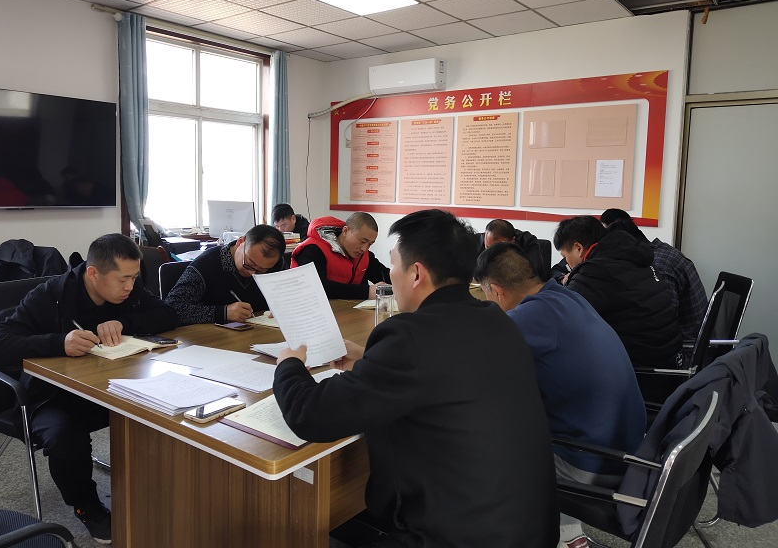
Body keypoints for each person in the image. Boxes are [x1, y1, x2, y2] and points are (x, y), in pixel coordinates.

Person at [274, 209, 558, 547]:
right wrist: (370, 361)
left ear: (417, 274)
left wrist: (289, 366)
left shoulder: (411, 338)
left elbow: (310, 414)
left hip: (459, 537)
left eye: (394, 264)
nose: (390, 275)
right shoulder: (496, 320)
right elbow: (445, 371)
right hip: (528, 528)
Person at [0, 233, 179, 544]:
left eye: (134, 278)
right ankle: (86, 506)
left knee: (162, 403)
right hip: (50, 395)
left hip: (107, 385)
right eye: (123, 279)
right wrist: (58, 343)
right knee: (65, 436)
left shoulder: (129, 289)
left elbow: (168, 313)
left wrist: (124, 324)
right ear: (93, 273)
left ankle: (153, 486)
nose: (130, 287)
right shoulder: (51, 294)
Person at [474, 242, 646, 548]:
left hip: (594, 463)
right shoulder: (566, 296)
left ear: (497, 292)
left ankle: (555, 535)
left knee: (479, 451)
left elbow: (469, 361)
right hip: (629, 448)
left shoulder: (529, 316)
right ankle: (564, 530)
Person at [553, 215, 683, 368]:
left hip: (640, 369)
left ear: (578, 248)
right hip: (669, 358)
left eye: (565, 256)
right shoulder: (634, 257)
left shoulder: (595, 271)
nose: (567, 263)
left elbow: (561, 317)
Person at [600, 208, 708, 341]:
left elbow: (662, 322)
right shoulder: (664, 250)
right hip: (692, 338)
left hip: (685, 346)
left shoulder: (657, 266)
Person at [165, 224, 285, 325]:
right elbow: (171, 308)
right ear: (240, 242)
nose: (252, 273)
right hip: (212, 339)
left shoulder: (276, 265)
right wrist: (223, 313)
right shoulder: (207, 264)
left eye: (261, 270)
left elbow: (289, 297)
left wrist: (284, 308)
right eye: (249, 264)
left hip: (262, 333)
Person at [291, 212, 390, 300]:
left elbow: (384, 275)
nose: (364, 248)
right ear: (345, 231)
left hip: (348, 310)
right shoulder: (313, 249)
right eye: (362, 241)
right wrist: (366, 292)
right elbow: (317, 287)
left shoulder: (362, 255)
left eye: (370, 244)